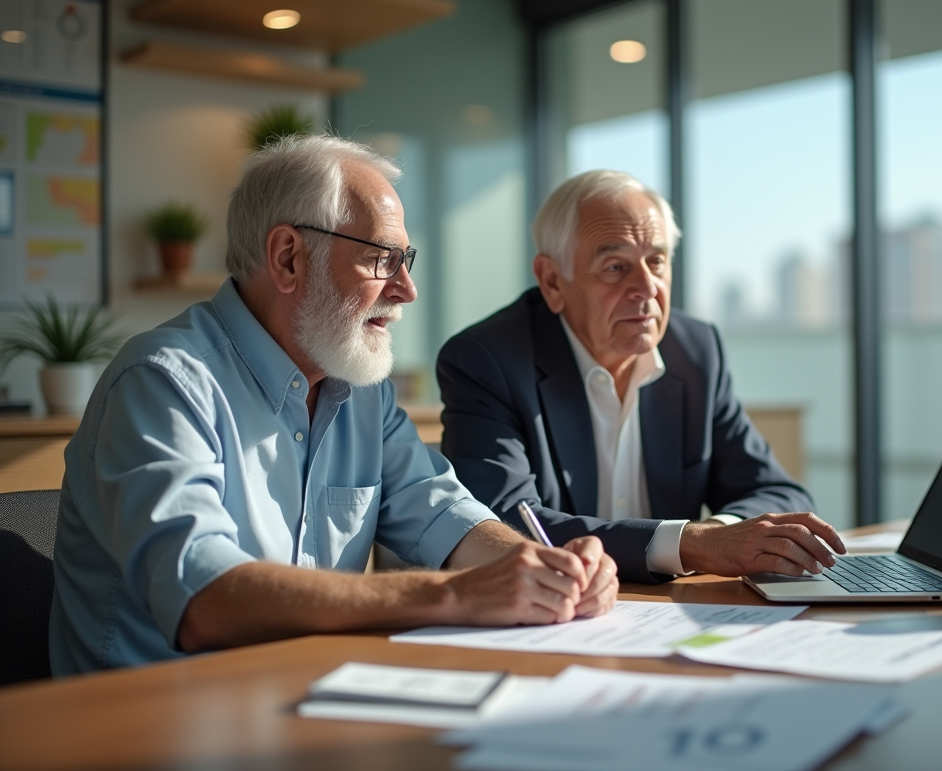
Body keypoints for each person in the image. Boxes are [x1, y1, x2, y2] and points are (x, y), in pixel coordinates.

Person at [49, 136, 617, 676]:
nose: (405, 289)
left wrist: (545, 570)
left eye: (406, 260)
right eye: (381, 259)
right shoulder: (163, 382)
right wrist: (453, 594)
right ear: (289, 257)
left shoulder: (363, 392)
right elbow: (204, 599)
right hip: (148, 727)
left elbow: (446, 517)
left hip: (306, 702)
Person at [437, 170, 845, 584]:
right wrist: (690, 544)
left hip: (670, 612)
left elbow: (779, 492)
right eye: (615, 267)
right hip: (553, 612)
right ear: (553, 281)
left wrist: (721, 534)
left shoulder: (696, 351)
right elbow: (498, 527)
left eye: (657, 261)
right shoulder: (486, 360)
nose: (647, 287)